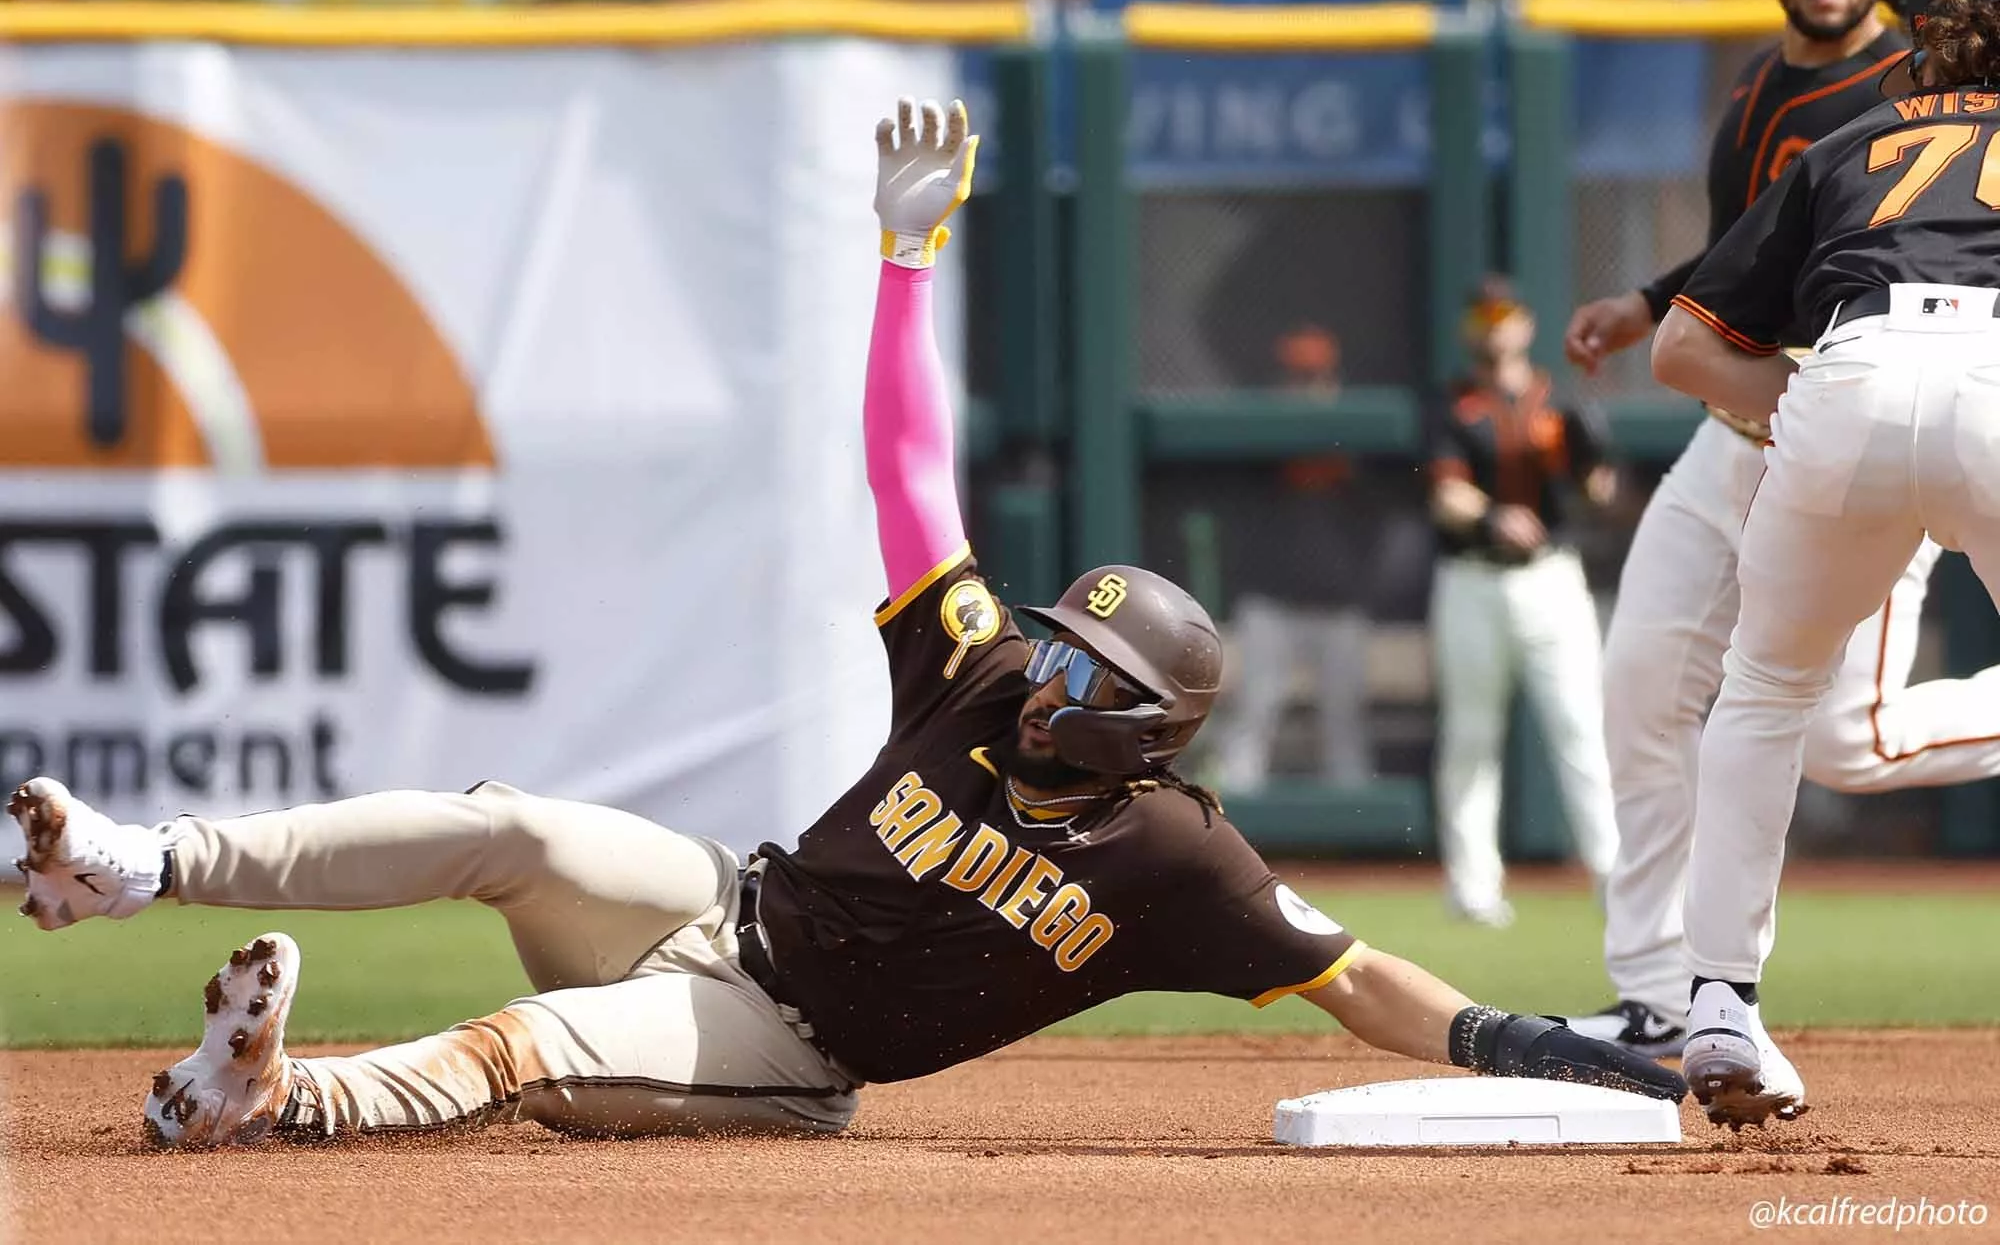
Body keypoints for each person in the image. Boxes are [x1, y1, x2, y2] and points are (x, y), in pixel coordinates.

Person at [9, 96, 1685, 1149]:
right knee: (505, 822)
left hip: (784, 1043)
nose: (1035, 665)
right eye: (1046, 642)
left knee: (525, 1045)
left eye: (1073, 668)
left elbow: (1360, 975)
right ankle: (145, 863)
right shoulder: (971, 673)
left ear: (1131, 729)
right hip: (730, 903)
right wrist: (906, 262)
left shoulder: (1176, 860)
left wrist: (1540, 1044)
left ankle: (271, 1100)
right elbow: (907, 468)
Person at [1558, 0, 2000, 1064]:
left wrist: (1810, 406)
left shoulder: (1872, 119)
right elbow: (1727, 267)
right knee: (1648, 685)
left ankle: (1718, 1001)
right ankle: (1658, 992)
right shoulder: (1761, 92)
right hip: (1861, 404)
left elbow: (1692, 340)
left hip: (1827, 396)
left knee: (1779, 708)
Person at [1424, 277, 1621, 929]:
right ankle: (1474, 888)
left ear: (1526, 323)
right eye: (1483, 314)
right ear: (1468, 327)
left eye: (1504, 313)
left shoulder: (1555, 402)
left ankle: (1615, 880)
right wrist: (1492, 515)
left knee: (1581, 728)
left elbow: (1595, 490)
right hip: (1473, 580)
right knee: (1472, 736)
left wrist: (1595, 469)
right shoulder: (1454, 406)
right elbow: (1446, 495)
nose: (1493, 326)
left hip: (1550, 579)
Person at [1208, 324, 1378, 793]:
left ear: (1333, 380)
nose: (1306, 389)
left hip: (1340, 606)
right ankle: (1231, 827)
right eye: (1296, 378)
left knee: (1345, 725)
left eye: (1315, 378)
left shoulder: (1357, 442)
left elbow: (1378, 522)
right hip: (1271, 604)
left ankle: (1360, 835)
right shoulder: (1260, 442)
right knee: (1255, 714)